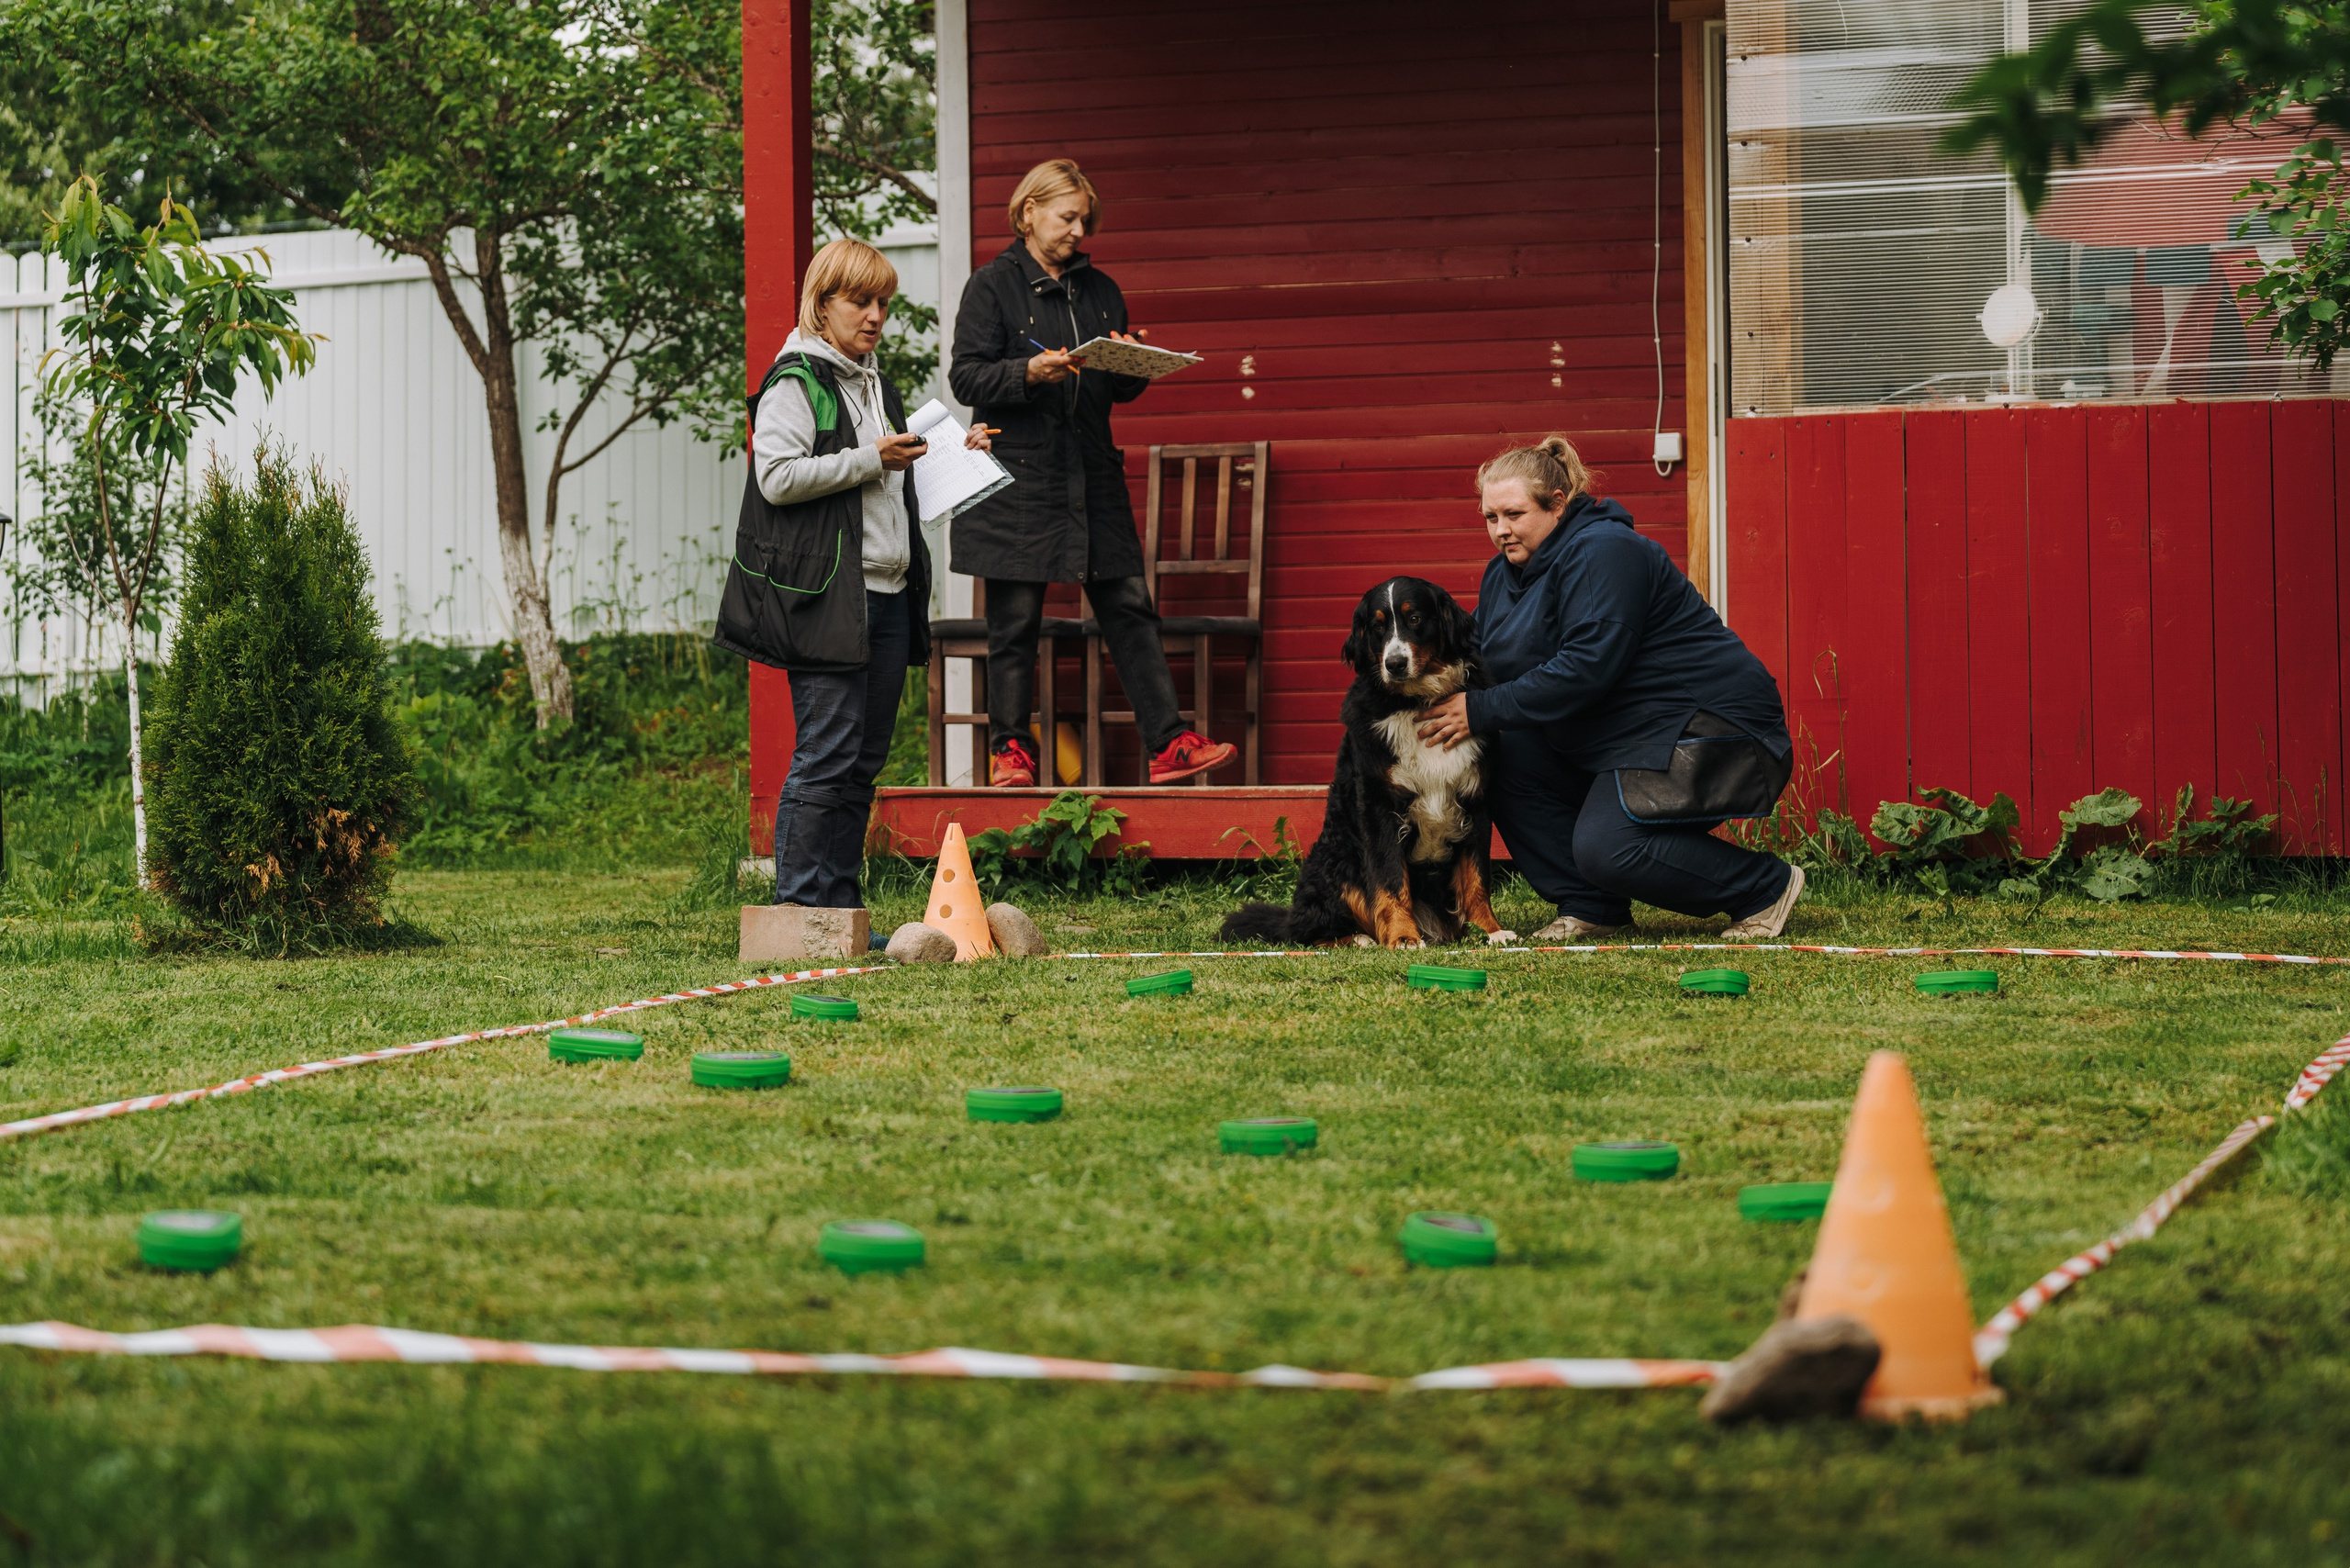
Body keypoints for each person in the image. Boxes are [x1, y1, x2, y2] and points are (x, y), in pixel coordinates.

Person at [1414, 436, 1807, 942]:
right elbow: (1483, 662)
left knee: (1611, 847)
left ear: (1558, 503)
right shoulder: (1506, 572)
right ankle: (1592, 904)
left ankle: (1762, 887)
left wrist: (1483, 707)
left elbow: (1586, 667)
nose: (1501, 530)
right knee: (1500, 752)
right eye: (1490, 517)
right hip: (1627, 733)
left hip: (1714, 727)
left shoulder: (1606, 550)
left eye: (1513, 513)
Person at [713, 238, 992, 913]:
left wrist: (958, 452)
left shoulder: (876, 383)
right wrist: (872, 457)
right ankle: (801, 910)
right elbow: (777, 479)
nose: (875, 316)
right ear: (822, 304)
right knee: (827, 756)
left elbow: (887, 477)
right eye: (861, 301)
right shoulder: (794, 383)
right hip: (831, 599)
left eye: (884, 303)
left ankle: (839, 910)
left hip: (891, 597)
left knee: (861, 764)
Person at [947, 157, 1237, 787]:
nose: (1079, 230)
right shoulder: (991, 287)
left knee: (1130, 605)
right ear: (1029, 213)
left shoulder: (1101, 290)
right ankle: (1009, 753)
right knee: (1015, 619)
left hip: (1091, 471)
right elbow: (966, 376)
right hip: (1017, 475)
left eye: (1085, 219)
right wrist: (1029, 372)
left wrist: (1132, 365)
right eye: (1068, 216)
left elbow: (1111, 393)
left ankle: (1169, 744)